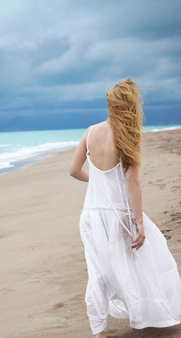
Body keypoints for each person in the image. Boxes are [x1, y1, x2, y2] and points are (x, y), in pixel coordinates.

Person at [69, 78, 181, 337]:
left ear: (110, 104)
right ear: (131, 105)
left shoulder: (90, 132)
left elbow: (74, 171)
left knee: (97, 271)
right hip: (119, 216)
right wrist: (139, 222)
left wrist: (98, 185)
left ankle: (98, 330)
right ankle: (148, 314)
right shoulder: (129, 135)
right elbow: (132, 182)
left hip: (91, 216)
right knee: (147, 261)